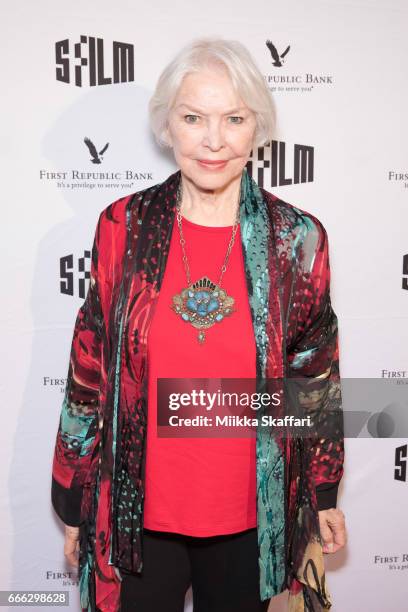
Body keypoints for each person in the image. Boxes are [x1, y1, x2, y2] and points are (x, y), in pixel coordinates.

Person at [51, 36, 346, 612]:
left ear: (257, 126)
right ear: (168, 127)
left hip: (252, 520)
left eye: (233, 118)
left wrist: (322, 494)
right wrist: (73, 498)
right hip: (137, 516)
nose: (213, 141)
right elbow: (88, 364)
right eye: (193, 118)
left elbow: (315, 378)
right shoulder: (123, 226)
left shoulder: (297, 239)